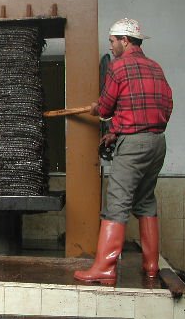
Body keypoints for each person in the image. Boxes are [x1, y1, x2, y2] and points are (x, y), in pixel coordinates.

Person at [74, 18, 173, 284]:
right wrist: (117, 130)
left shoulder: (119, 68)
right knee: (145, 201)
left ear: (125, 40)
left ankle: (104, 268)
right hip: (157, 142)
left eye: (113, 41)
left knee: (117, 203)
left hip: (134, 144)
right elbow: (165, 105)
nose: (111, 45)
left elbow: (106, 109)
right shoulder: (155, 67)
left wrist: (98, 109)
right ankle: (151, 265)